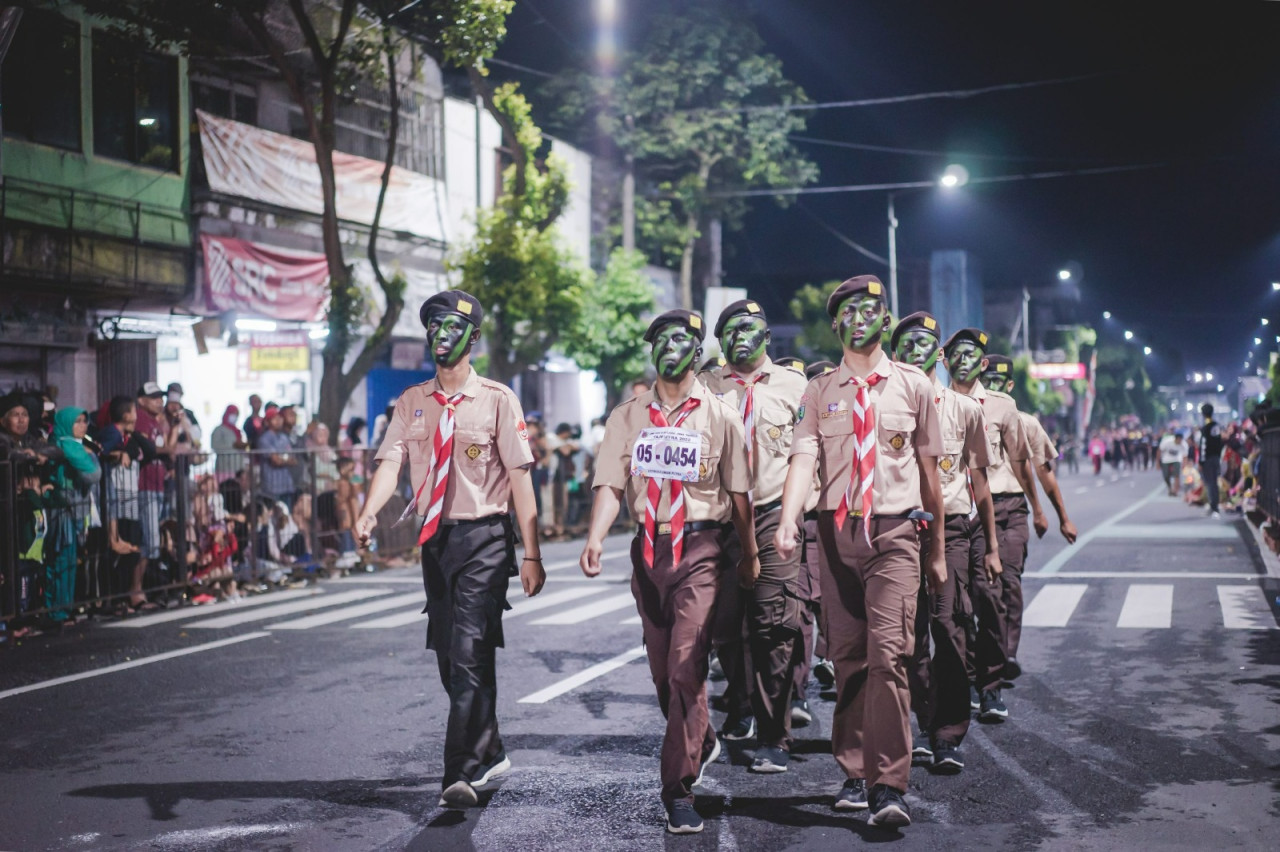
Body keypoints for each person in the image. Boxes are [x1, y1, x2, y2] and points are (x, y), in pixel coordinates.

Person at [354, 289, 544, 811]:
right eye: (433, 326)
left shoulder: (498, 400)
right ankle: (492, 748)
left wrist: (532, 552)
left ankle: (459, 772)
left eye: (452, 326)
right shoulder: (412, 402)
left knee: (468, 649)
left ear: (472, 337)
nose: (441, 334)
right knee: (449, 657)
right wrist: (370, 511)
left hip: (484, 536)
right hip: (434, 540)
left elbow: (521, 479)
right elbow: (390, 463)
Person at [774, 275, 945, 828]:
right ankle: (853, 768)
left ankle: (888, 785)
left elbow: (928, 469)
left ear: (886, 318)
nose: (859, 316)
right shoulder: (818, 392)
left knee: (889, 657)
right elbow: (803, 460)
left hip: (896, 534)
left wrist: (938, 547)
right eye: (848, 310)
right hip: (834, 532)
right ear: (836, 325)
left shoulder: (914, 386)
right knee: (847, 660)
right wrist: (787, 520)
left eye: (870, 308)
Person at [580, 308, 756, 835]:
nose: (670, 346)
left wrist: (748, 552)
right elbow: (611, 485)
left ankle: (678, 790)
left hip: (701, 548)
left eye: (682, 339)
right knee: (663, 673)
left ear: (698, 350)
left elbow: (739, 492)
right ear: (651, 351)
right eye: (660, 338)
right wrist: (593, 538)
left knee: (686, 665)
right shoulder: (627, 416)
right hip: (648, 550)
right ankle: (698, 737)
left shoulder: (721, 415)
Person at [891, 312, 1000, 774]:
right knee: (906, 638)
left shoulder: (964, 410)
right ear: (895, 353)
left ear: (938, 355)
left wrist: (991, 545)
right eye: (906, 344)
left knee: (949, 630)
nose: (914, 352)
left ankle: (949, 734)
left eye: (924, 344)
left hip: (951, 532)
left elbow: (979, 483)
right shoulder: (881, 407)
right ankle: (921, 724)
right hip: (896, 530)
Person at [703, 299, 809, 773]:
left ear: (768, 336)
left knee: (774, 627)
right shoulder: (704, 386)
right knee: (724, 627)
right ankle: (740, 705)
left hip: (772, 516)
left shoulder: (795, 386)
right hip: (718, 519)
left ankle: (774, 736)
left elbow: (808, 456)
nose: (739, 336)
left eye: (749, 328)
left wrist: (794, 516)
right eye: (729, 329)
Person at [941, 334, 1043, 718]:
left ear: (984, 363)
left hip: (991, 515)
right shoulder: (933, 402)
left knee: (990, 597)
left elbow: (1020, 462)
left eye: (972, 355)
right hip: (950, 515)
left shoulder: (1003, 407)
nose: (963, 360)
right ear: (944, 360)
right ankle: (965, 679)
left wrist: (1036, 507)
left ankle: (991, 686)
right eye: (956, 354)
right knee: (954, 607)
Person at [980, 355, 1077, 678]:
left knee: (1009, 583)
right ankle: (981, 656)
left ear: (1009, 386)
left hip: (1012, 509)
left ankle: (1005, 655)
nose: (990, 386)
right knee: (982, 591)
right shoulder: (966, 414)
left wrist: (1059, 516)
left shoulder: (1026, 423)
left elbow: (1045, 473)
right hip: (975, 512)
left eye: (998, 381)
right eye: (986, 379)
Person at [793, 360, 838, 707]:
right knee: (802, 605)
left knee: (834, 603)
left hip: (841, 521)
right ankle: (797, 693)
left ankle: (831, 659)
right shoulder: (801, 425)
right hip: (806, 519)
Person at [132, 382, 174, 610]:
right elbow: (150, 448)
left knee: (153, 541)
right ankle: (136, 591)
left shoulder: (156, 422)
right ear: (142, 400)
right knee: (148, 541)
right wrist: (166, 450)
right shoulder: (140, 418)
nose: (160, 401)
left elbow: (169, 449)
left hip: (157, 485)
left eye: (161, 397)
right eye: (154, 397)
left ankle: (147, 589)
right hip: (145, 485)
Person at [1198, 403, 1223, 518]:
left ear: (1203, 414)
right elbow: (1219, 443)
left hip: (1207, 459)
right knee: (1214, 482)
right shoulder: (1216, 426)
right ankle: (1214, 505)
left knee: (1210, 482)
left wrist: (1201, 461)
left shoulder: (1205, 428)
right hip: (1216, 457)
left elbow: (1203, 445)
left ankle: (1214, 507)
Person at [211, 405, 249, 481]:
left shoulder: (237, 431)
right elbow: (215, 446)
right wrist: (233, 445)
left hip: (238, 468)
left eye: (237, 415)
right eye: (233, 414)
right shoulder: (219, 430)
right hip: (225, 468)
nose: (235, 417)